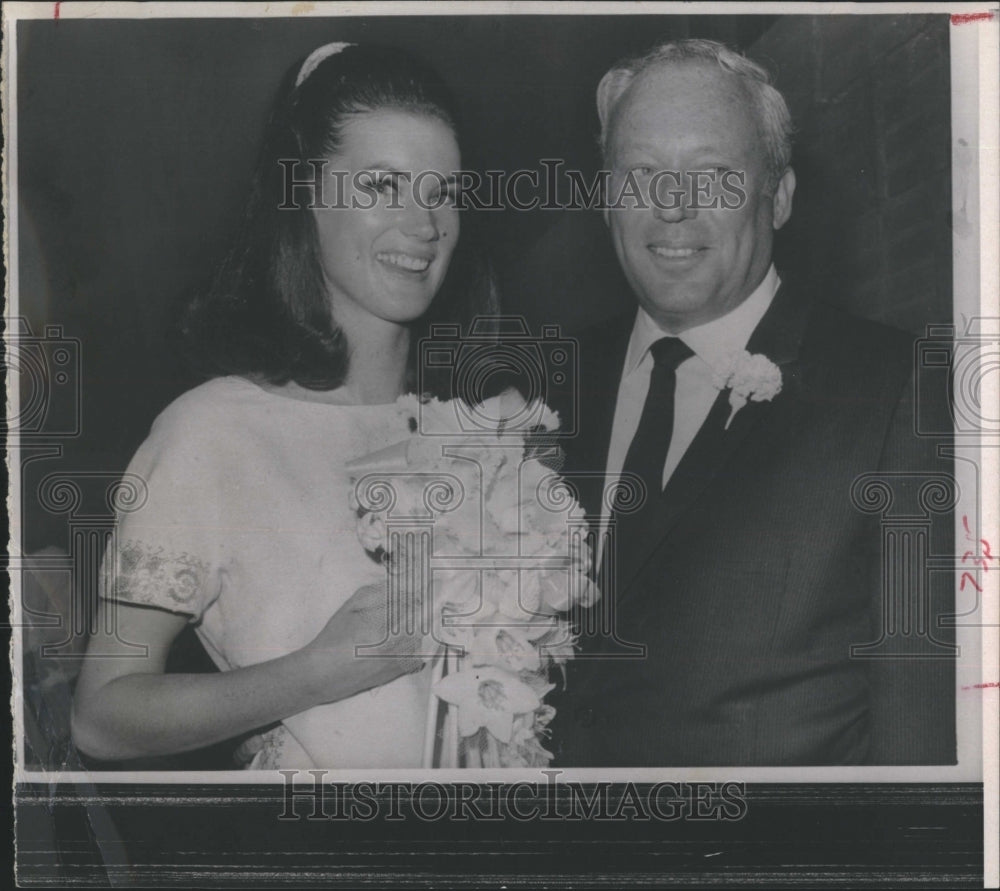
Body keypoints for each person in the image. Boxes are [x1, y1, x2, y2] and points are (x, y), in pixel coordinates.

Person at [71, 42, 495, 769]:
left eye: (442, 191)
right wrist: (314, 672)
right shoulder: (212, 433)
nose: (424, 224)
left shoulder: (477, 429)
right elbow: (101, 716)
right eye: (382, 186)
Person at [550, 39, 955, 766]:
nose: (672, 206)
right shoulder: (548, 386)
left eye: (712, 174)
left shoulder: (897, 390)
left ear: (781, 195)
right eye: (641, 172)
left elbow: (918, 724)